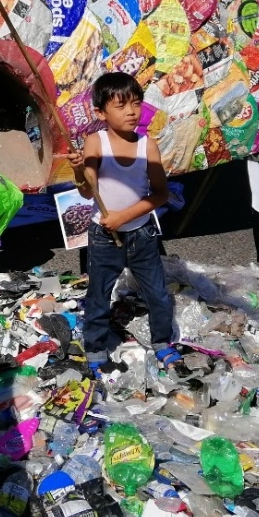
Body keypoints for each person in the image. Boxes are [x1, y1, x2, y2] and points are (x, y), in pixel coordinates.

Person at [68, 72, 181, 375]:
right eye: (121, 106)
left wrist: (122, 217)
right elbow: (86, 190)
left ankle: (161, 342)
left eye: (136, 103)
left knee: (156, 292)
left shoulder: (148, 146)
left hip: (142, 232)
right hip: (104, 236)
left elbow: (160, 194)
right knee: (99, 293)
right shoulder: (96, 141)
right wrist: (79, 171)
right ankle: (94, 346)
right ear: (100, 112)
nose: (131, 111)